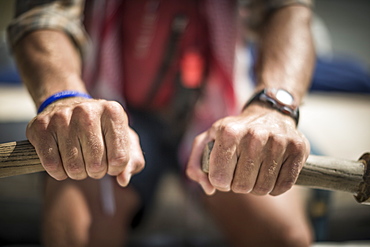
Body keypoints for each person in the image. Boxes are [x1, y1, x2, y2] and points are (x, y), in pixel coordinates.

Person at [7, 0, 315, 246]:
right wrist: (63, 99)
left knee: (285, 238)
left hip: (216, 108)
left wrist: (274, 108)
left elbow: (287, 10)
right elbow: (42, 14)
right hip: (104, 111)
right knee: (77, 239)